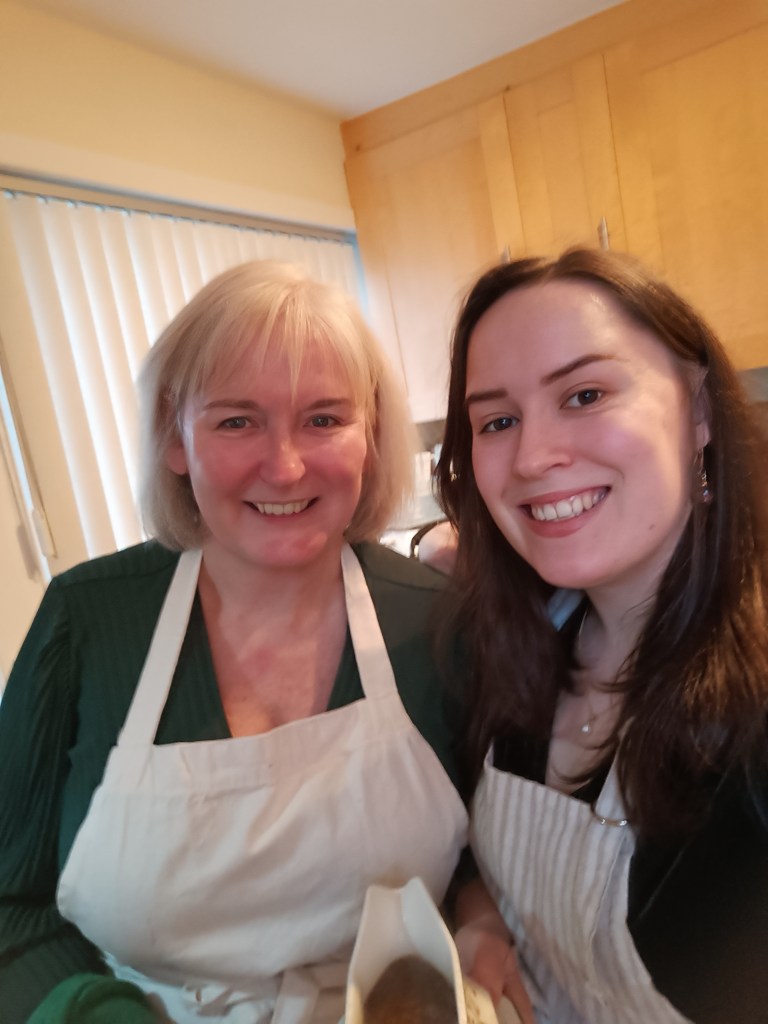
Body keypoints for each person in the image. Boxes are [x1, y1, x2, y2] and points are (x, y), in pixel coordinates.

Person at [0, 261, 468, 1024]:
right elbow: (8, 901)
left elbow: (490, 852)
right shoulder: (87, 623)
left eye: (324, 418)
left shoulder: (439, 620)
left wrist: (479, 921)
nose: (284, 467)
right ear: (175, 438)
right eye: (236, 420)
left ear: (370, 438)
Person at [437, 248, 768, 1024]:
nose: (533, 457)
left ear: (698, 412)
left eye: (585, 394)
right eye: (498, 420)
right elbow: (474, 854)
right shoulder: (513, 647)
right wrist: (480, 914)